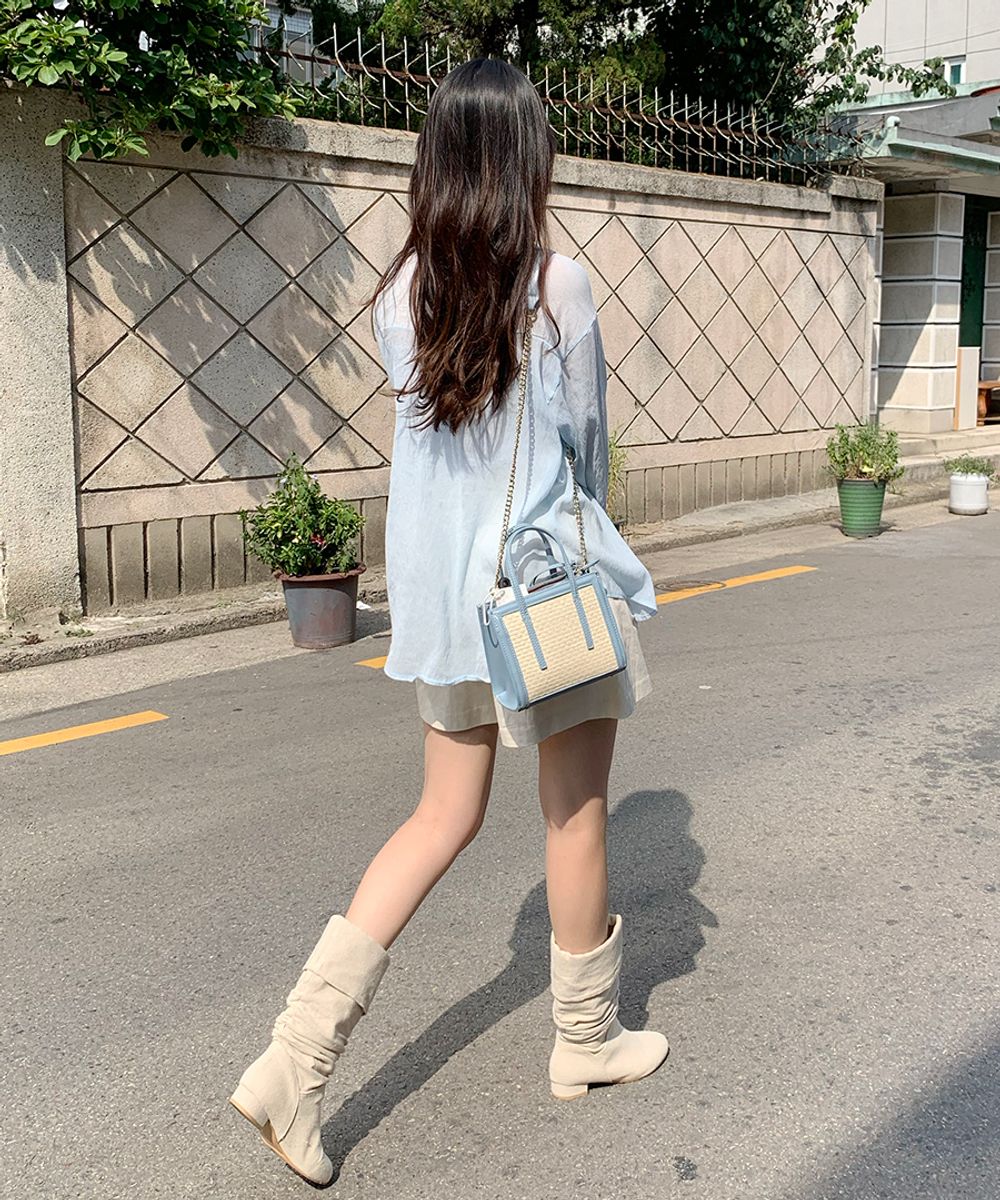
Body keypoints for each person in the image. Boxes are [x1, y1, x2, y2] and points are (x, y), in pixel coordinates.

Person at [229, 57, 668, 1187]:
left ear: (435, 161)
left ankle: (294, 1060)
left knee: (440, 815)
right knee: (574, 816)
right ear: (527, 159)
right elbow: (586, 450)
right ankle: (584, 1041)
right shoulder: (557, 287)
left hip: (441, 606)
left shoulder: (400, 294)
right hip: (540, 598)